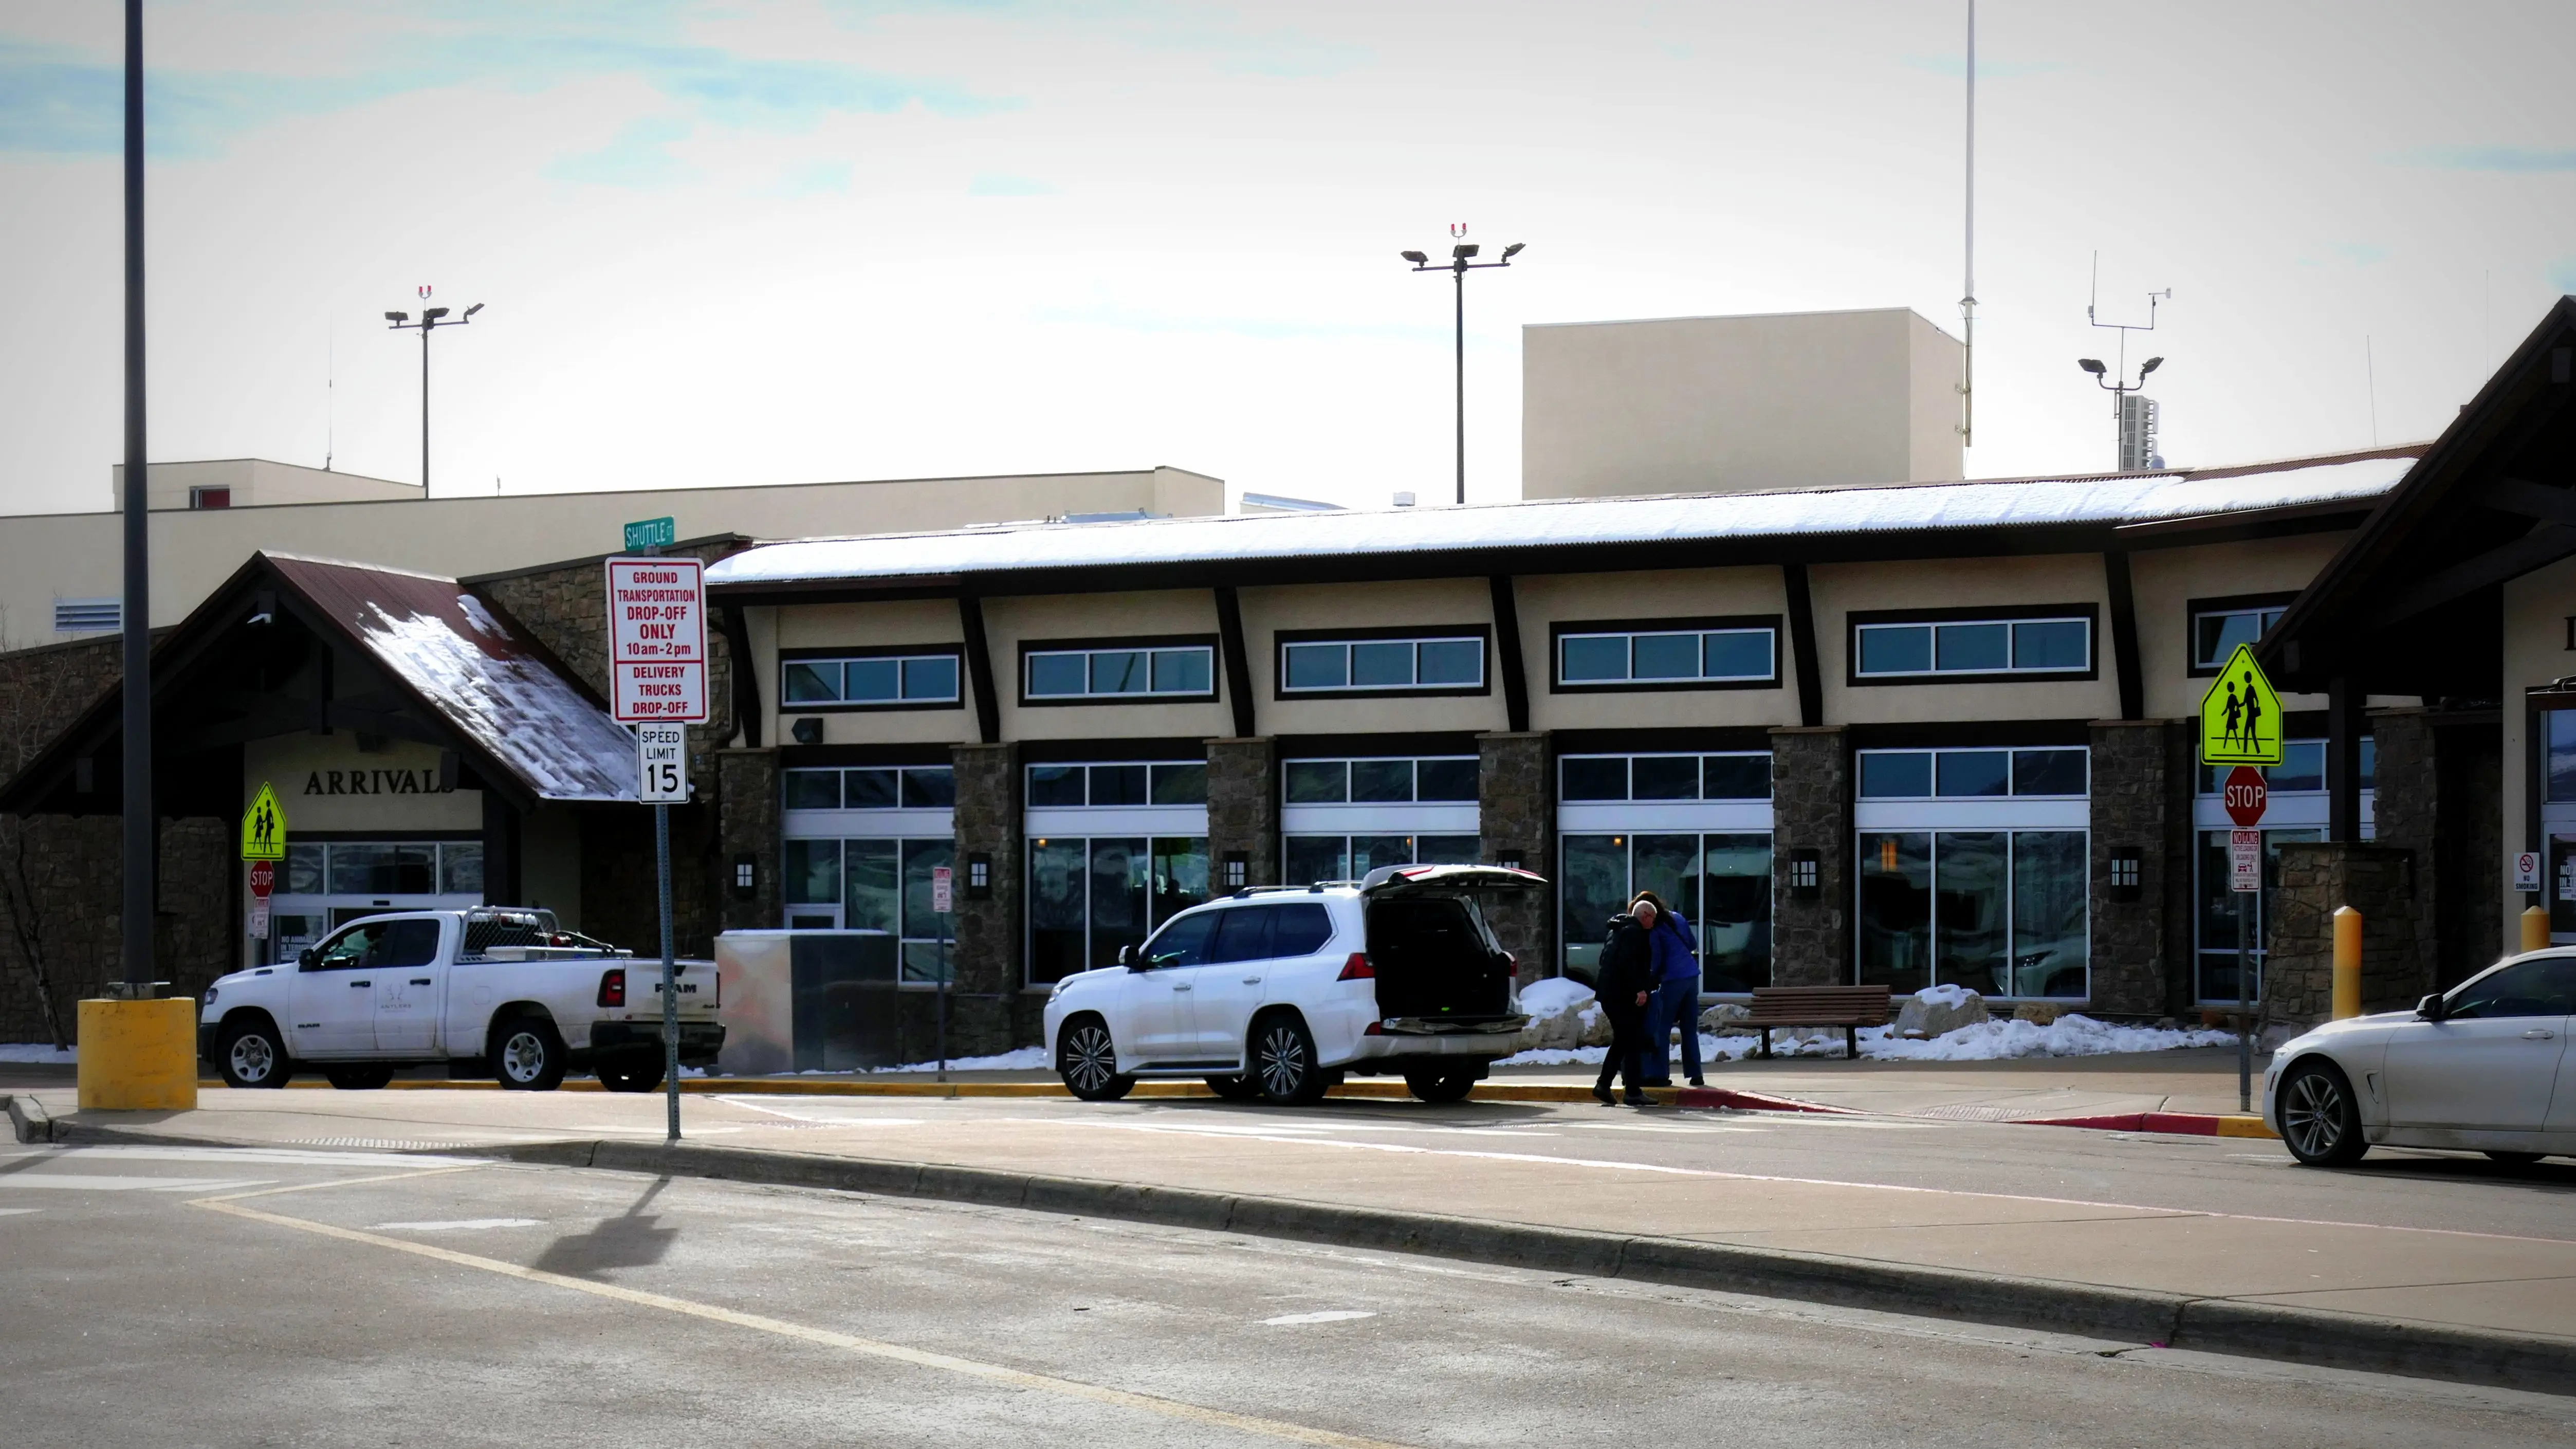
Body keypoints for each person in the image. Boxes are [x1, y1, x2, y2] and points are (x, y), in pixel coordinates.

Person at [1632, 891, 1704, 1088]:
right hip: (1692, 976)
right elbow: (1692, 944)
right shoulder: (1678, 918)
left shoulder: (1654, 930)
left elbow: (1657, 960)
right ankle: (1696, 1074)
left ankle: (1660, 1073)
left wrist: (1648, 981)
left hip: (1673, 980)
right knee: (1689, 1029)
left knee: (1662, 1027)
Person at [1591, 906, 1654, 1106]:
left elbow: (1606, 960)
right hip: (1622, 996)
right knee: (1632, 1040)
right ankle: (1632, 1092)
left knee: (1624, 1039)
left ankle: (1604, 1086)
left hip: (1610, 995)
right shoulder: (1634, 933)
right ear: (1645, 916)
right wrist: (1640, 989)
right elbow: (1629, 963)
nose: (1653, 924)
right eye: (1653, 919)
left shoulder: (1617, 930)